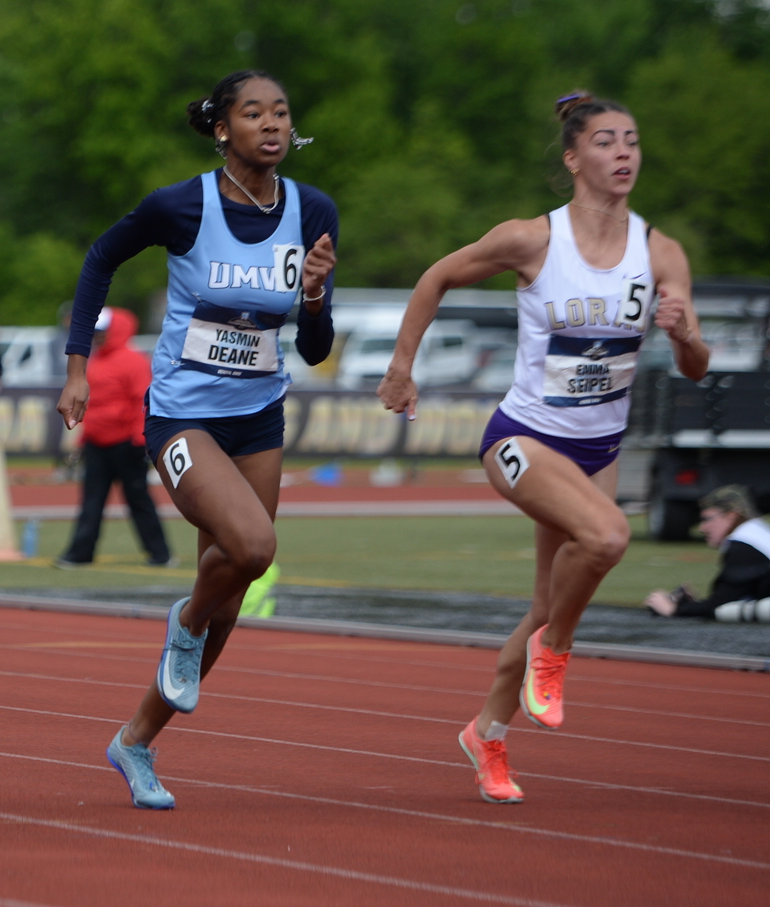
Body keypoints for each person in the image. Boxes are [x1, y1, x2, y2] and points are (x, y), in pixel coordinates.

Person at [379, 91, 707, 804]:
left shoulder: (660, 252)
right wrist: (401, 367)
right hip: (522, 439)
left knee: (544, 605)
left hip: (598, 451)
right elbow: (436, 276)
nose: (623, 152)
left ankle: (488, 735)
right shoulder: (532, 239)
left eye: (632, 140)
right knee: (609, 536)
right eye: (606, 141)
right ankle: (553, 654)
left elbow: (696, 366)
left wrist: (684, 334)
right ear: (573, 158)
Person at [59, 71, 339, 810]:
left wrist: (314, 294)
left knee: (233, 593)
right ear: (222, 129)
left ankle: (136, 741)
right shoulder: (182, 205)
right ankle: (184, 623)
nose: (271, 124)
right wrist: (78, 366)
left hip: (259, 416)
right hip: (183, 414)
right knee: (253, 547)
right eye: (254, 113)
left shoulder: (313, 210)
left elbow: (315, 349)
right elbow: (100, 258)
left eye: (282, 112)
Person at [56, 307, 171, 569]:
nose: (98, 336)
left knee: (138, 499)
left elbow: (142, 401)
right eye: (96, 331)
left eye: (103, 331)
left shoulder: (133, 361)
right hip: (97, 442)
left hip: (126, 443)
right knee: (91, 500)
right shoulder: (94, 360)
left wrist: (140, 439)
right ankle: (80, 552)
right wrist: (83, 438)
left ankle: (160, 553)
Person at [646, 485, 770, 620]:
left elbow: (719, 605)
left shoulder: (743, 546)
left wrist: (673, 609)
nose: (702, 528)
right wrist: (692, 605)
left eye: (707, 519)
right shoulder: (757, 533)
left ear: (731, 516)